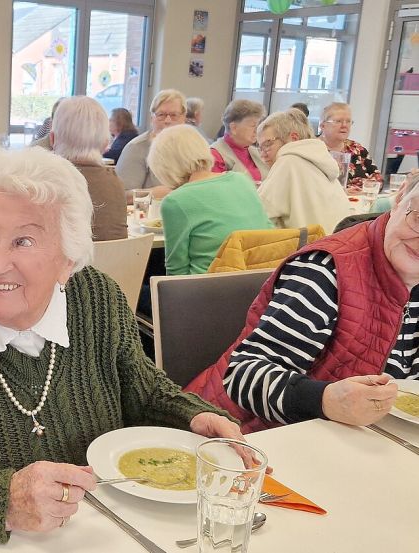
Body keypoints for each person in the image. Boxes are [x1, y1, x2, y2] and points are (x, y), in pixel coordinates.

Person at [0, 147, 244, 542]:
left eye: (24, 242)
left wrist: (192, 416)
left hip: (101, 537)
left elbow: (143, 391)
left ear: (68, 259)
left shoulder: (98, 299)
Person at [186, 186, 419, 433]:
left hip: (361, 440)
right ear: (398, 200)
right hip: (247, 435)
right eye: (418, 218)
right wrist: (325, 400)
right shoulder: (325, 272)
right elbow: (242, 375)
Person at [147, 125, 273, 275]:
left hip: (208, 289)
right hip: (261, 283)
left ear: (164, 166)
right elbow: (268, 229)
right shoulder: (242, 180)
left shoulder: (175, 201)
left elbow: (176, 271)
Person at [256, 109, 350, 233]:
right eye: (260, 147)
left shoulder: (288, 161)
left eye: (268, 144)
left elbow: (257, 215)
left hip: (309, 250)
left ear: (293, 138)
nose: (263, 155)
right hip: (333, 247)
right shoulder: (320, 160)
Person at [50, 96, 127, 241]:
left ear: (52, 139)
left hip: (74, 263)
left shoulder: (47, 185)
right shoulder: (115, 183)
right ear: (106, 144)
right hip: (119, 263)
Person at [116, 89, 187, 198]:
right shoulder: (137, 148)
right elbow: (119, 195)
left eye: (174, 115)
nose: (167, 120)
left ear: (184, 118)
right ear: (151, 118)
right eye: (161, 115)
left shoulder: (190, 148)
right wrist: (151, 193)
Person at [318, 102, 383, 190]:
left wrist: (360, 188)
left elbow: (378, 178)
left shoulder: (357, 149)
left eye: (348, 121)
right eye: (338, 121)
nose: (344, 125)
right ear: (322, 126)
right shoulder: (312, 150)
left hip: (357, 201)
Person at [210, 99, 268, 183]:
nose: (257, 130)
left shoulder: (257, 151)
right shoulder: (215, 155)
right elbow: (219, 191)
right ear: (234, 128)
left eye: (258, 125)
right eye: (253, 125)